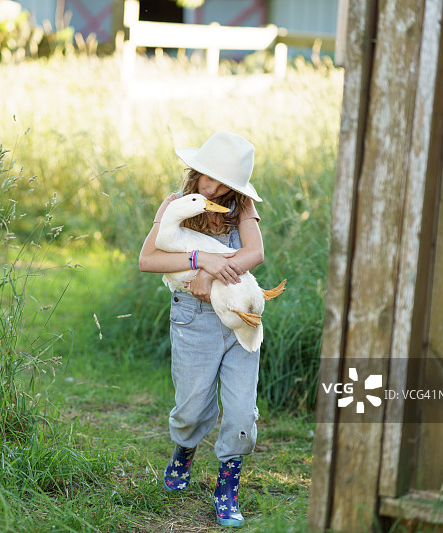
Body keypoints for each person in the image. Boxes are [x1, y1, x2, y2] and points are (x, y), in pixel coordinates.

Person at [138, 131, 265, 528]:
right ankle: (185, 448)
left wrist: (212, 273)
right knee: (192, 408)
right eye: (209, 177)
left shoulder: (241, 207)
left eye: (224, 183)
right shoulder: (176, 204)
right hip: (193, 319)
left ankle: (228, 483)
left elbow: (255, 253)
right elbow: (148, 259)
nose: (213, 188)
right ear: (196, 171)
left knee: (241, 412)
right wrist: (200, 260)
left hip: (238, 314)